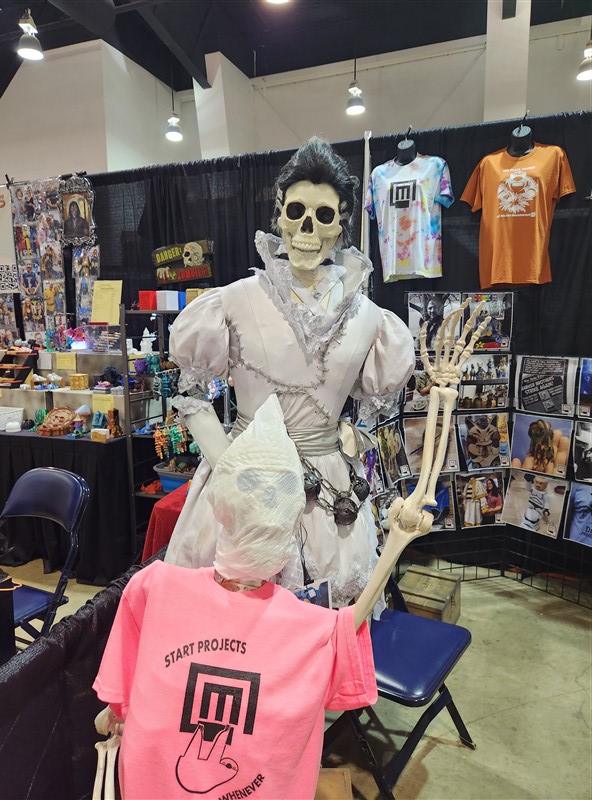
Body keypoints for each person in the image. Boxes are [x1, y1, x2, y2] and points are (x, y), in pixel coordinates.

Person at [93, 396, 432, 800]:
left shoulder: (155, 586)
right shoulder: (158, 590)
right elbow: (350, 623)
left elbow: (115, 700)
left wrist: (116, 709)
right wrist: (394, 545)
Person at [164, 137, 414, 608]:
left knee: (324, 627)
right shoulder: (232, 301)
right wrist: (229, 465)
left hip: (329, 497)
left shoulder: (372, 321)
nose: (307, 228)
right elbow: (192, 394)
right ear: (279, 214)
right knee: (233, 627)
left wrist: (349, 435)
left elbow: (368, 413)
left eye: (324, 215)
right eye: (296, 211)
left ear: (342, 222)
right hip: (241, 481)